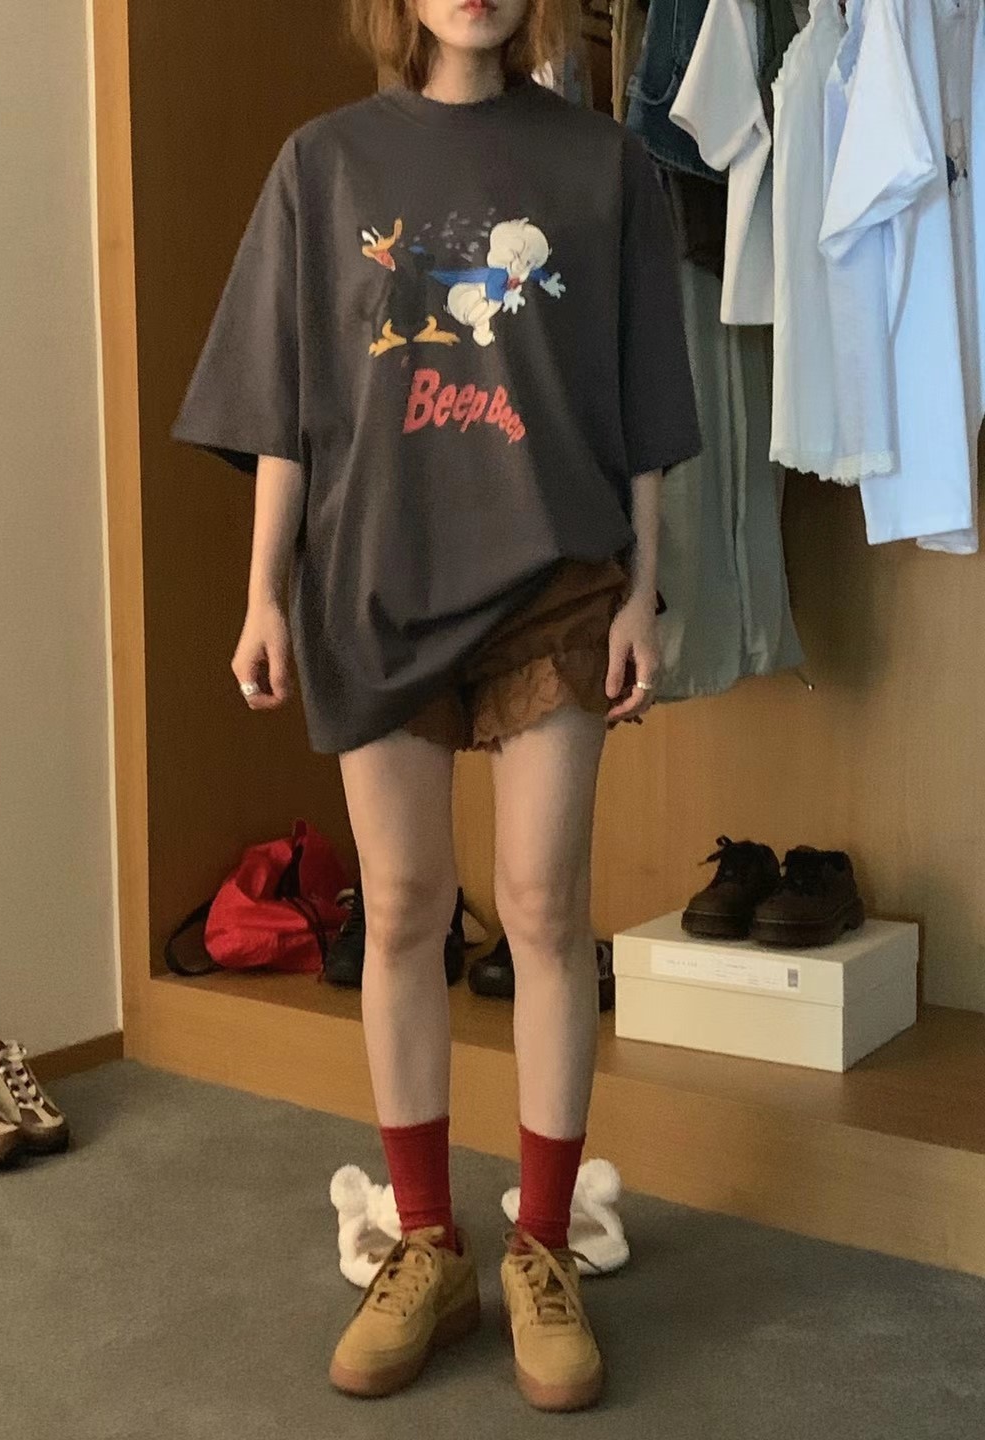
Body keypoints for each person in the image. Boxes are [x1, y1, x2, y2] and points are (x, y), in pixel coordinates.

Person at [173, 0, 700, 1413]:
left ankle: (543, 1247)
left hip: (557, 580)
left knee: (541, 905)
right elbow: (285, 411)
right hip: (371, 580)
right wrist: (262, 593)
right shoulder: (323, 164)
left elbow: (649, 407)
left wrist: (645, 590)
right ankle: (425, 1243)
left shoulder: (605, 166)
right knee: (404, 908)